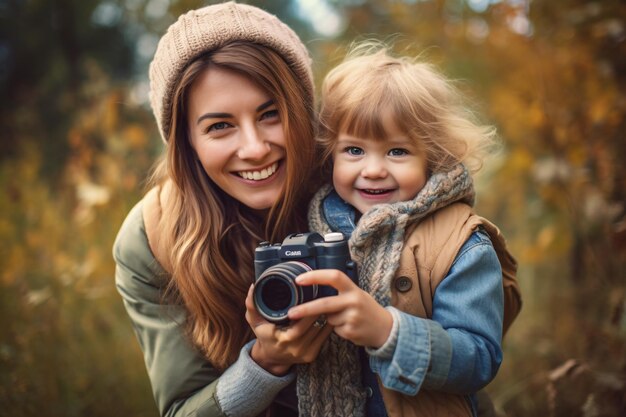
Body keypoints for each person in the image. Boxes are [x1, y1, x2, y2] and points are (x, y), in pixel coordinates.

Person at [113, 2, 331, 416]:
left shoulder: (360, 177)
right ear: (186, 143)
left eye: (271, 114)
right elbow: (181, 409)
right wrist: (266, 363)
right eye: (219, 126)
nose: (254, 148)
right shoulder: (153, 238)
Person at [286, 44, 521, 417]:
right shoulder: (309, 227)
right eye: (354, 151)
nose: (374, 169)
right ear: (329, 152)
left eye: (397, 151)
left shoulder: (462, 243)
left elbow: (479, 358)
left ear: (433, 156)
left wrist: (388, 332)